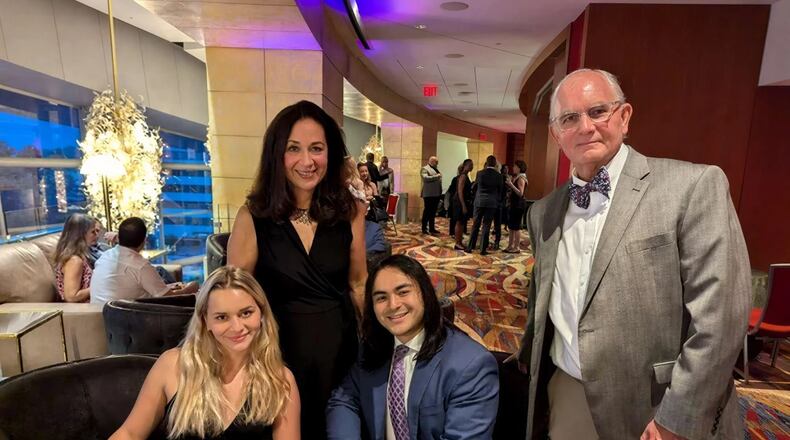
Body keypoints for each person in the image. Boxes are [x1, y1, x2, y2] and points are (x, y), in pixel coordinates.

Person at [514, 69, 751, 439]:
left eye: (597, 111)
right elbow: (543, 298)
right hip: (567, 392)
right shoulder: (542, 212)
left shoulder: (691, 187)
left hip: (657, 405)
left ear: (624, 117)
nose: (585, 126)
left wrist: (678, 417)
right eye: (570, 118)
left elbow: (721, 320)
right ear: (556, 133)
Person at [227, 100, 367, 439]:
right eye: (294, 149)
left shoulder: (350, 212)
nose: (307, 161)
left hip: (338, 353)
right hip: (276, 356)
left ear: (330, 154)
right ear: (278, 155)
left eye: (317, 149)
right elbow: (232, 297)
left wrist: (378, 344)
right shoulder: (253, 216)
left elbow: (359, 283)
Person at [110, 266, 300, 440]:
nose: (237, 327)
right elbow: (129, 433)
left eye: (246, 313)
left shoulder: (280, 380)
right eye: (222, 317)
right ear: (205, 321)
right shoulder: (172, 364)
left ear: (262, 314)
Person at [326, 255, 499, 439]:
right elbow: (344, 399)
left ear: (424, 292)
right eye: (381, 297)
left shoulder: (471, 366)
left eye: (403, 292)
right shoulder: (372, 347)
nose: (393, 305)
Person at [90, 217, 198, 306]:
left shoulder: (105, 257)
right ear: (144, 241)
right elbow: (168, 299)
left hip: (98, 317)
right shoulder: (140, 266)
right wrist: (190, 289)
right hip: (129, 321)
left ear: (119, 237)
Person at [53, 213, 99, 302]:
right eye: (93, 232)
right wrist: (100, 287)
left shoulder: (81, 256)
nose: (96, 235)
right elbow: (71, 297)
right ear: (81, 235)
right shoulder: (74, 261)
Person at [465, 155, 503, 255]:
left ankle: (470, 247)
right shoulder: (498, 176)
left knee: (475, 224)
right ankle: (482, 249)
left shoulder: (480, 173)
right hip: (491, 203)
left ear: (486, 162)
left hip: (479, 202)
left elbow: (475, 186)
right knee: (486, 225)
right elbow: (500, 190)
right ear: (495, 164)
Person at [448, 159, 473, 250]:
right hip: (460, 202)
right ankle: (458, 243)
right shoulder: (463, 176)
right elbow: (460, 191)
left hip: (461, 201)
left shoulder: (465, 176)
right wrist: (463, 205)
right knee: (459, 222)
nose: (472, 166)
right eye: (470, 164)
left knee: (462, 222)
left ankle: (459, 241)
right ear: (466, 165)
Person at [503, 160, 528, 253]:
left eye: (515, 166)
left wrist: (510, 184)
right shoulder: (518, 177)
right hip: (515, 204)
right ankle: (510, 246)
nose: (513, 168)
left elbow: (520, 193)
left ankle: (516, 247)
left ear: (519, 167)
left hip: (518, 205)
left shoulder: (521, 178)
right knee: (511, 226)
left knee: (516, 227)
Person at [419, 156, 442, 235]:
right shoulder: (424, 169)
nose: (437, 164)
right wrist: (437, 176)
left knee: (433, 212)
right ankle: (424, 228)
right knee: (427, 211)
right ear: (432, 161)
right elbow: (425, 178)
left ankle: (432, 228)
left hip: (436, 194)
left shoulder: (435, 169)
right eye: (436, 162)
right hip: (428, 194)